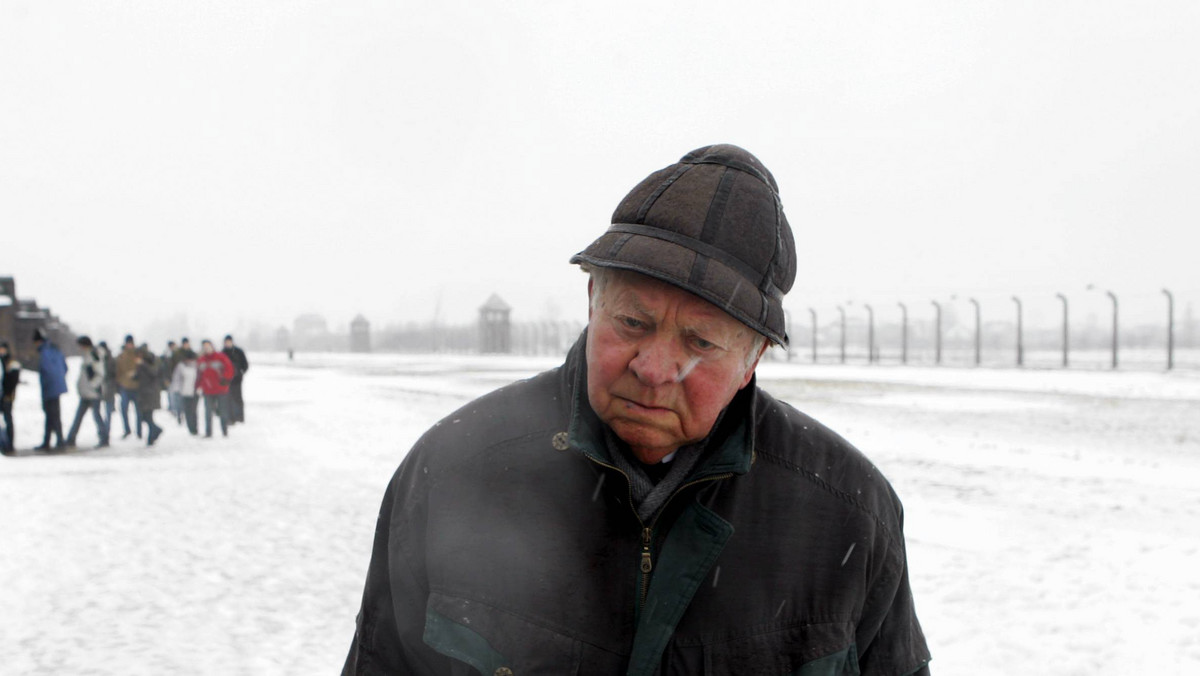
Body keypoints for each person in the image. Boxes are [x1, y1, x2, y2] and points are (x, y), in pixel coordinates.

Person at [342, 145, 930, 675]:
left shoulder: (850, 512)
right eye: (633, 323)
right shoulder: (453, 471)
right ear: (593, 299)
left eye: (700, 343)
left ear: (753, 359)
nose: (654, 368)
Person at [64, 336, 109, 449]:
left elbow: (100, 373)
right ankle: (71, 438)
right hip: (86, 392)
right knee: (81, 416)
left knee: (95, 416)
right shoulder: (88, 355)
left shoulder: (93, 355)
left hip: (92, 393)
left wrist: (92, 386)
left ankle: (104, 438)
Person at [32, 328, 69, 451]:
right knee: (53, 415)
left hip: (50, 387)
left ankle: (58, 441)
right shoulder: (55, 350)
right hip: (57, 386)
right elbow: (65, 367)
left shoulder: (45, 352)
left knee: (52, 415)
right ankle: (50, 440)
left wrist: (47, 387)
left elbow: (47, 371)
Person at [195, 339, 234, 438]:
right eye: (205, 347)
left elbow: (229, 368)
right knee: (208, 412)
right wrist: (198, 386)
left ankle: (224, 431)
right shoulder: (201, 360)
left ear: (212, 347)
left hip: (221, 389)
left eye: (208, 346)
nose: (207, 349)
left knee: (222, 411)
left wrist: (225, 379)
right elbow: (198, 375)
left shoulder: (221, 357)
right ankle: (208, 433)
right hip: (207, 390)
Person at [133, 345, 164, 446]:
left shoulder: (151, 360)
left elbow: (153, 372)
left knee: (147, 416)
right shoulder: (141, 364)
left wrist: (143, 365)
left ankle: (155, 432)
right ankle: (151, 437)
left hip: (150, 393)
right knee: (146, 417)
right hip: (143, 393)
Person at [115, 335, 143, 439]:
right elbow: (118, 372)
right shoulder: (121, 356)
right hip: (125, 386)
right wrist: (120, 382)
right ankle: (127, 430)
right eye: (128, 343)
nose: (130, 345)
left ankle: (139, 431)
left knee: (139, 411)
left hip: (137, 387)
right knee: (124, 410)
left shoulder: (138, 355)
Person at [170, 349, 200, 435]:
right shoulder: (181, 366)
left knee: (193, 410)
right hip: (184, 391)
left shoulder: (197, 366)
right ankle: (190, 427)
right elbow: (177, 378)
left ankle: (195, 428)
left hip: (195, 391)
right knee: (187, 410)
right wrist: (177, 389)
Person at [222, 335, 248, 424]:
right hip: (226, 380)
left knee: (237, 398)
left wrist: (241, 372)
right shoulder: (223, 353)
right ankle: (230, 418)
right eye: (226, 342)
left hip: (237, 379)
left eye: (229, 341)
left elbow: (245, 364)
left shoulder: (238, 351)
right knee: (228, 399)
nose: (228, 343)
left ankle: (240, 417)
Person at [1, 341, 19, 453]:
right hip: (3, 394)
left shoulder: (11, 362)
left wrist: (8, 393)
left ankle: (9, 444)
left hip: (7, 396)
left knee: (8, 420)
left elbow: (13, 380)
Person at [97, 340, 118, 435]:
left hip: (108, 388)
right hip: (100, 388)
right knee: (99, 413)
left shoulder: (110, 360)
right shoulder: (98, 358)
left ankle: (105, 431)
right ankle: (103, 430)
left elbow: (114, 374)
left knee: (107, 412)